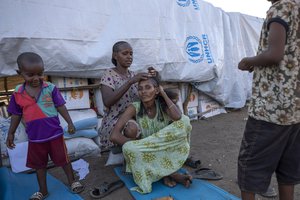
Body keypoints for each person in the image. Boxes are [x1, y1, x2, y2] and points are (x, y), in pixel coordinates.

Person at [237, 0, 300, 200]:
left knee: (249, 167)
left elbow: (275, 55)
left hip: (270, 107)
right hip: (295, 107)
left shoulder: (280, 8)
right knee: (287, 168)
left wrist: (249, 61)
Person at [6, 52, 84, 200]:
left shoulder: (50, 88)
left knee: (64, 160)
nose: (36, 78)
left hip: (55, 134)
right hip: (35, 138)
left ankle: (72, 181)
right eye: (30, 75)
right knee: (39, 166)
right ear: (19, 73)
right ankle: (43, 190)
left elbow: (60, 106)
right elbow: (16, 115)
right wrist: (11, 133)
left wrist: (70, 122)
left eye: (40, 74)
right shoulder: (17, 93)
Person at [110, 77, 193, 194]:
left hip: (164, 148)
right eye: (140, 89)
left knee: (185, 121)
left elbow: (178, 117)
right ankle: (170, 174)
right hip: (147, 152)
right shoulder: (134, 107)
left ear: (157, 90)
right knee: (129, 146)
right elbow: (114, 135)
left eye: (148, 87)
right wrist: (140, 146)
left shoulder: (162, 104)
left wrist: (163, 94)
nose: (143, 91)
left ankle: (167, 174)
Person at [99, 41, 155, 150]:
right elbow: (108, 101)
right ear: (115, 56)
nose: (129, 57)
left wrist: (153, 76)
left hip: (136, 116)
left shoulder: (134, 75)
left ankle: (141, 152)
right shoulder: (108, 75)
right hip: (115, 120)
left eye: (131, 54)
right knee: (131, 128)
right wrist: (130, 82)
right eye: (125, 53)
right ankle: (132, 157)